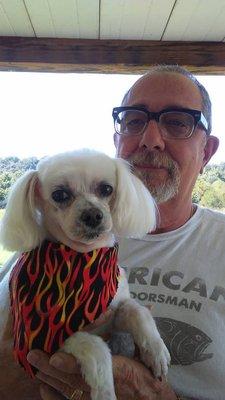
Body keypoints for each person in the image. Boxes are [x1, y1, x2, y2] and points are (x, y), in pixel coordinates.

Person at [1, 65, 224, 400]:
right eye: (134, 120)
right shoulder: (37, 256)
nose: (151, 138)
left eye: (178, 122)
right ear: (117, 140)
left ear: (206, 151)